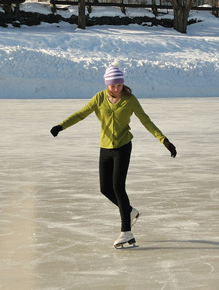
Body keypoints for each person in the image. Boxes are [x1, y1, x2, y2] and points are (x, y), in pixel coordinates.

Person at [50, 64, 177, 249]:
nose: (116, 89)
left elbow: (147, 122)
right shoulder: (99, 98)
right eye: (112, 85)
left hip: (123, 147)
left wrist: (165, 141)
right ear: (107, 84)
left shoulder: (130, 100)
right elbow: (81, 114)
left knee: (118, 186)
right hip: (105, 148)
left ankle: (127, 232)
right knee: (104, 188)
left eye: (119, 85)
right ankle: (130, 211)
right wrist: (61, 126)